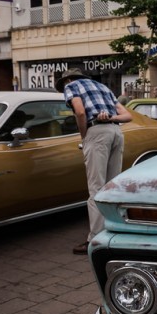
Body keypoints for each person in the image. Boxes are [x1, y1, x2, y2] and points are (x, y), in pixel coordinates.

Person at [54, 68, 132, 255]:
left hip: (96, 133)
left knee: (96, 189)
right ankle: (116, 231)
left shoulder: (71, 86)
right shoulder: (103, 87)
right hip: (116, 132)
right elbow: (127, 116)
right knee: (112, 186)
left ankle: (95, 239)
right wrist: (111, 118)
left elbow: (80, 112)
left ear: (67, 80)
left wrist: (84, 136)